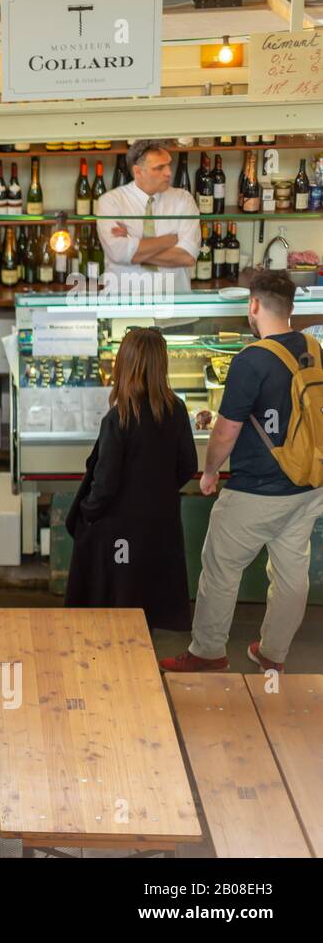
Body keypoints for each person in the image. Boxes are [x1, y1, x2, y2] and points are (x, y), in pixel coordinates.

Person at [162, 270, 323, 672]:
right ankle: (273, 654)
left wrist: (209, 471)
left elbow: (226, 430)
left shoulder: (251, 360)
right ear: (290, 308)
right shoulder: (313, 346)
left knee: (220, 569)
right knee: (290, 573)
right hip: (307, 482)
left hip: (256, 490)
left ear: (253, 306)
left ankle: (208, 653)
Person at [65, 328, 198, 631]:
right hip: (160, 524)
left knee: (117, 607)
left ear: (124, 363)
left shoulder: (120, 416)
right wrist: (158, 491)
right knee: (148, 603)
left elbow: (106, 481)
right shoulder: (176, 409)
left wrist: (88, 511)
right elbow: (188, 464)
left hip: (117, 529)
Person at [95, 139, 199, 296]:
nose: (168, 173)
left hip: (175, 309)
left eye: (168, 164)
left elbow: (187, 257)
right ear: (138, 172)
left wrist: (133, 247)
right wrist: (169, 240)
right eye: (159, 168)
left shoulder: (184, 199)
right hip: (125, 306)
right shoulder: (111, 202)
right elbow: (117, 253)